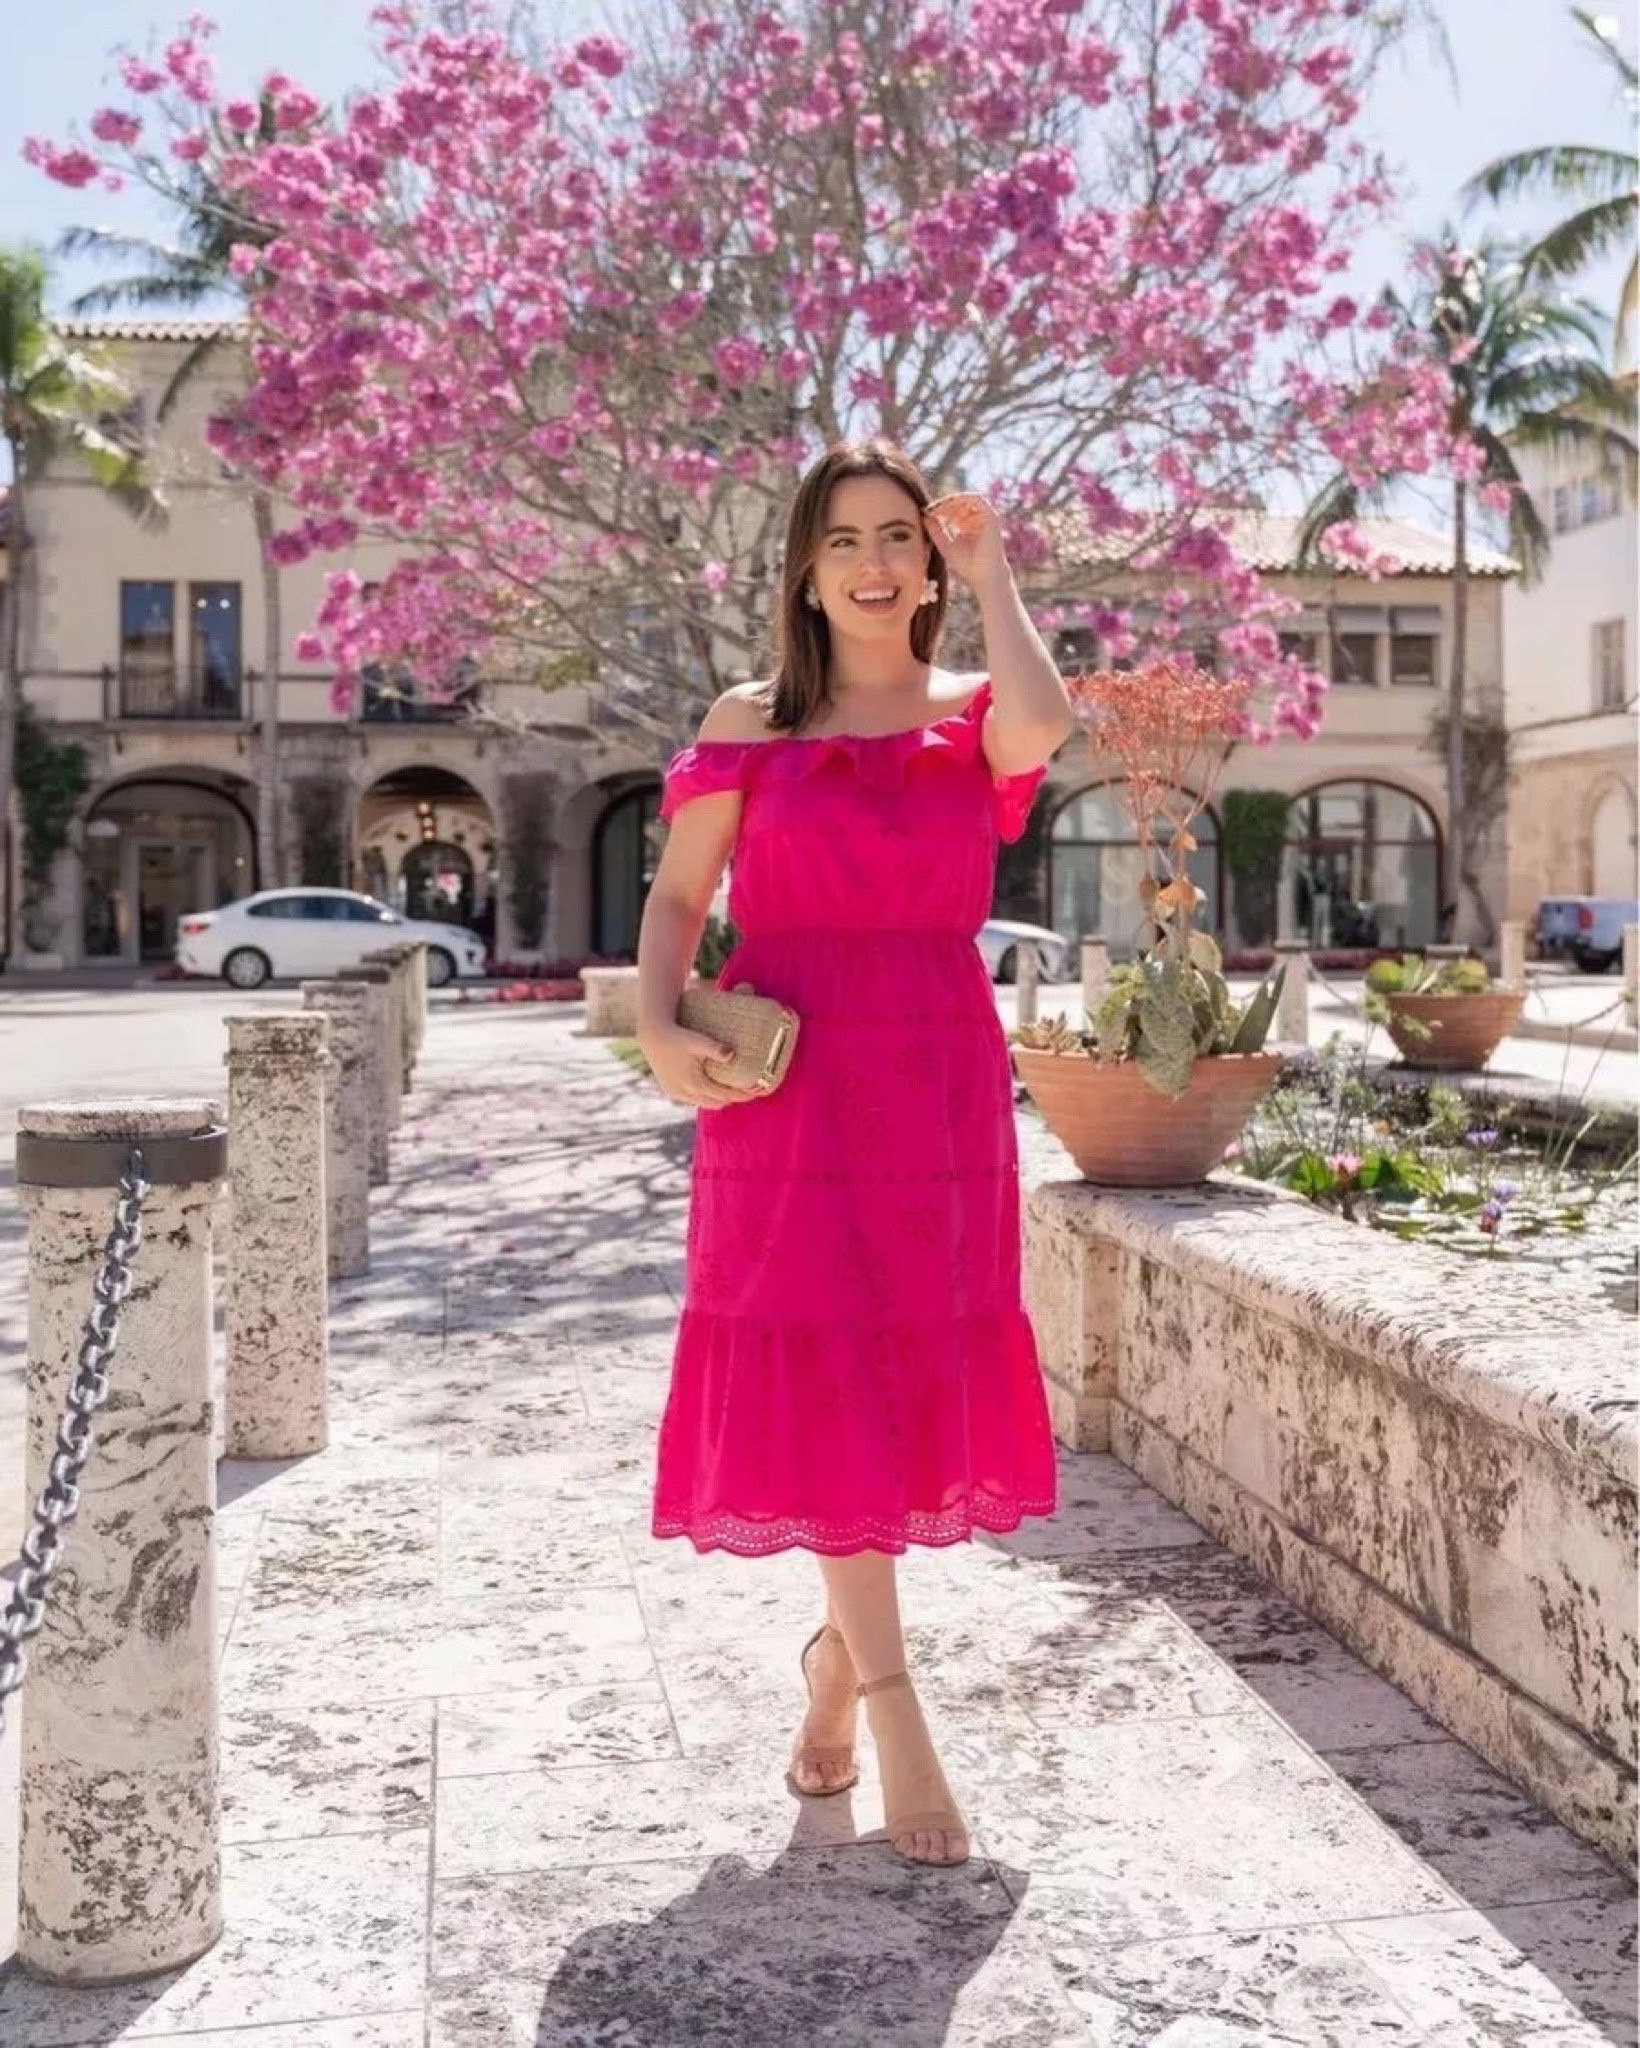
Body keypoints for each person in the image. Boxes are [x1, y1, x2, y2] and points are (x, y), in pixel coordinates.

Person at [635, 439, 1074, 1868]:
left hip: (936, 1076)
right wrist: (657, 1023)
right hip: (791, 1086)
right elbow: (680, 896)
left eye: (899, 537)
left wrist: (995, 572)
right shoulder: (751, 721)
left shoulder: (972, 712)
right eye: (844, 542)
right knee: (822, 1362)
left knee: (897, 1363)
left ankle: (836, 1654)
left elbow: (1046, 725)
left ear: (929, 564)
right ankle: (893, 1706)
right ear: (806, 574)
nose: (875, 564)